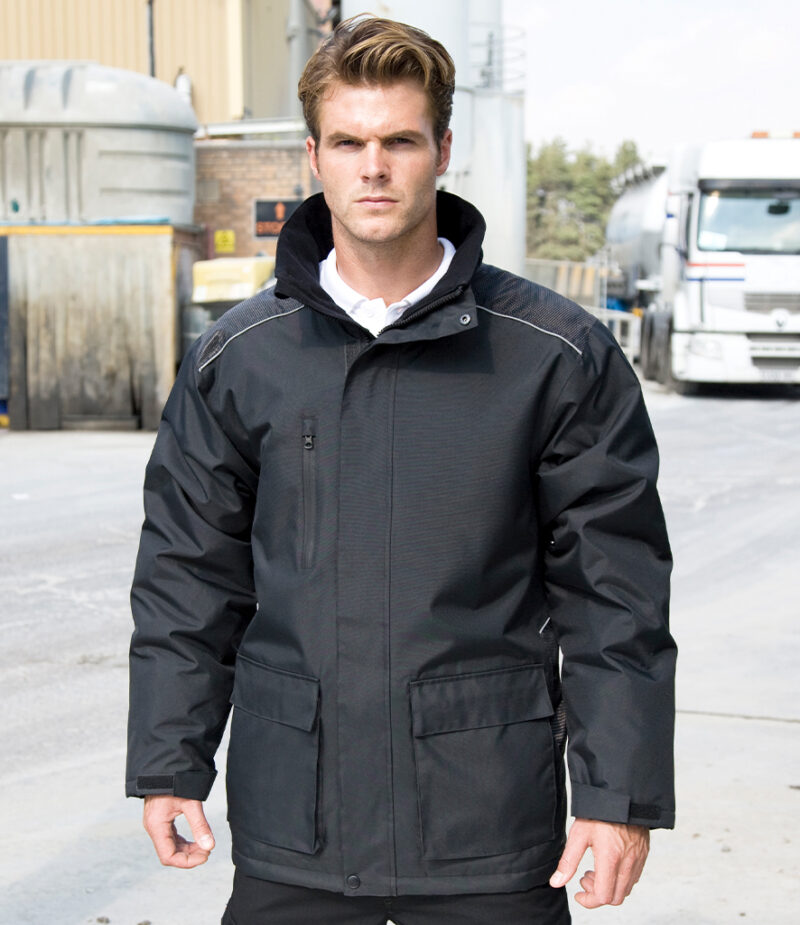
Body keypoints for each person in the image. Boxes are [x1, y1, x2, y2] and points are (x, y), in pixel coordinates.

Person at [126, 15, 676, 925]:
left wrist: (617, 794)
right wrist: (168, 761)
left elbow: (615, 591)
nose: (373, 167)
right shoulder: (240, 357)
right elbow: (189, 575)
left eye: (400, 141)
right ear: (314, 156)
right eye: (348, 142)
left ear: (443, 151)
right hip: (295, 830)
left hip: (486, 828)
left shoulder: (554, 354)